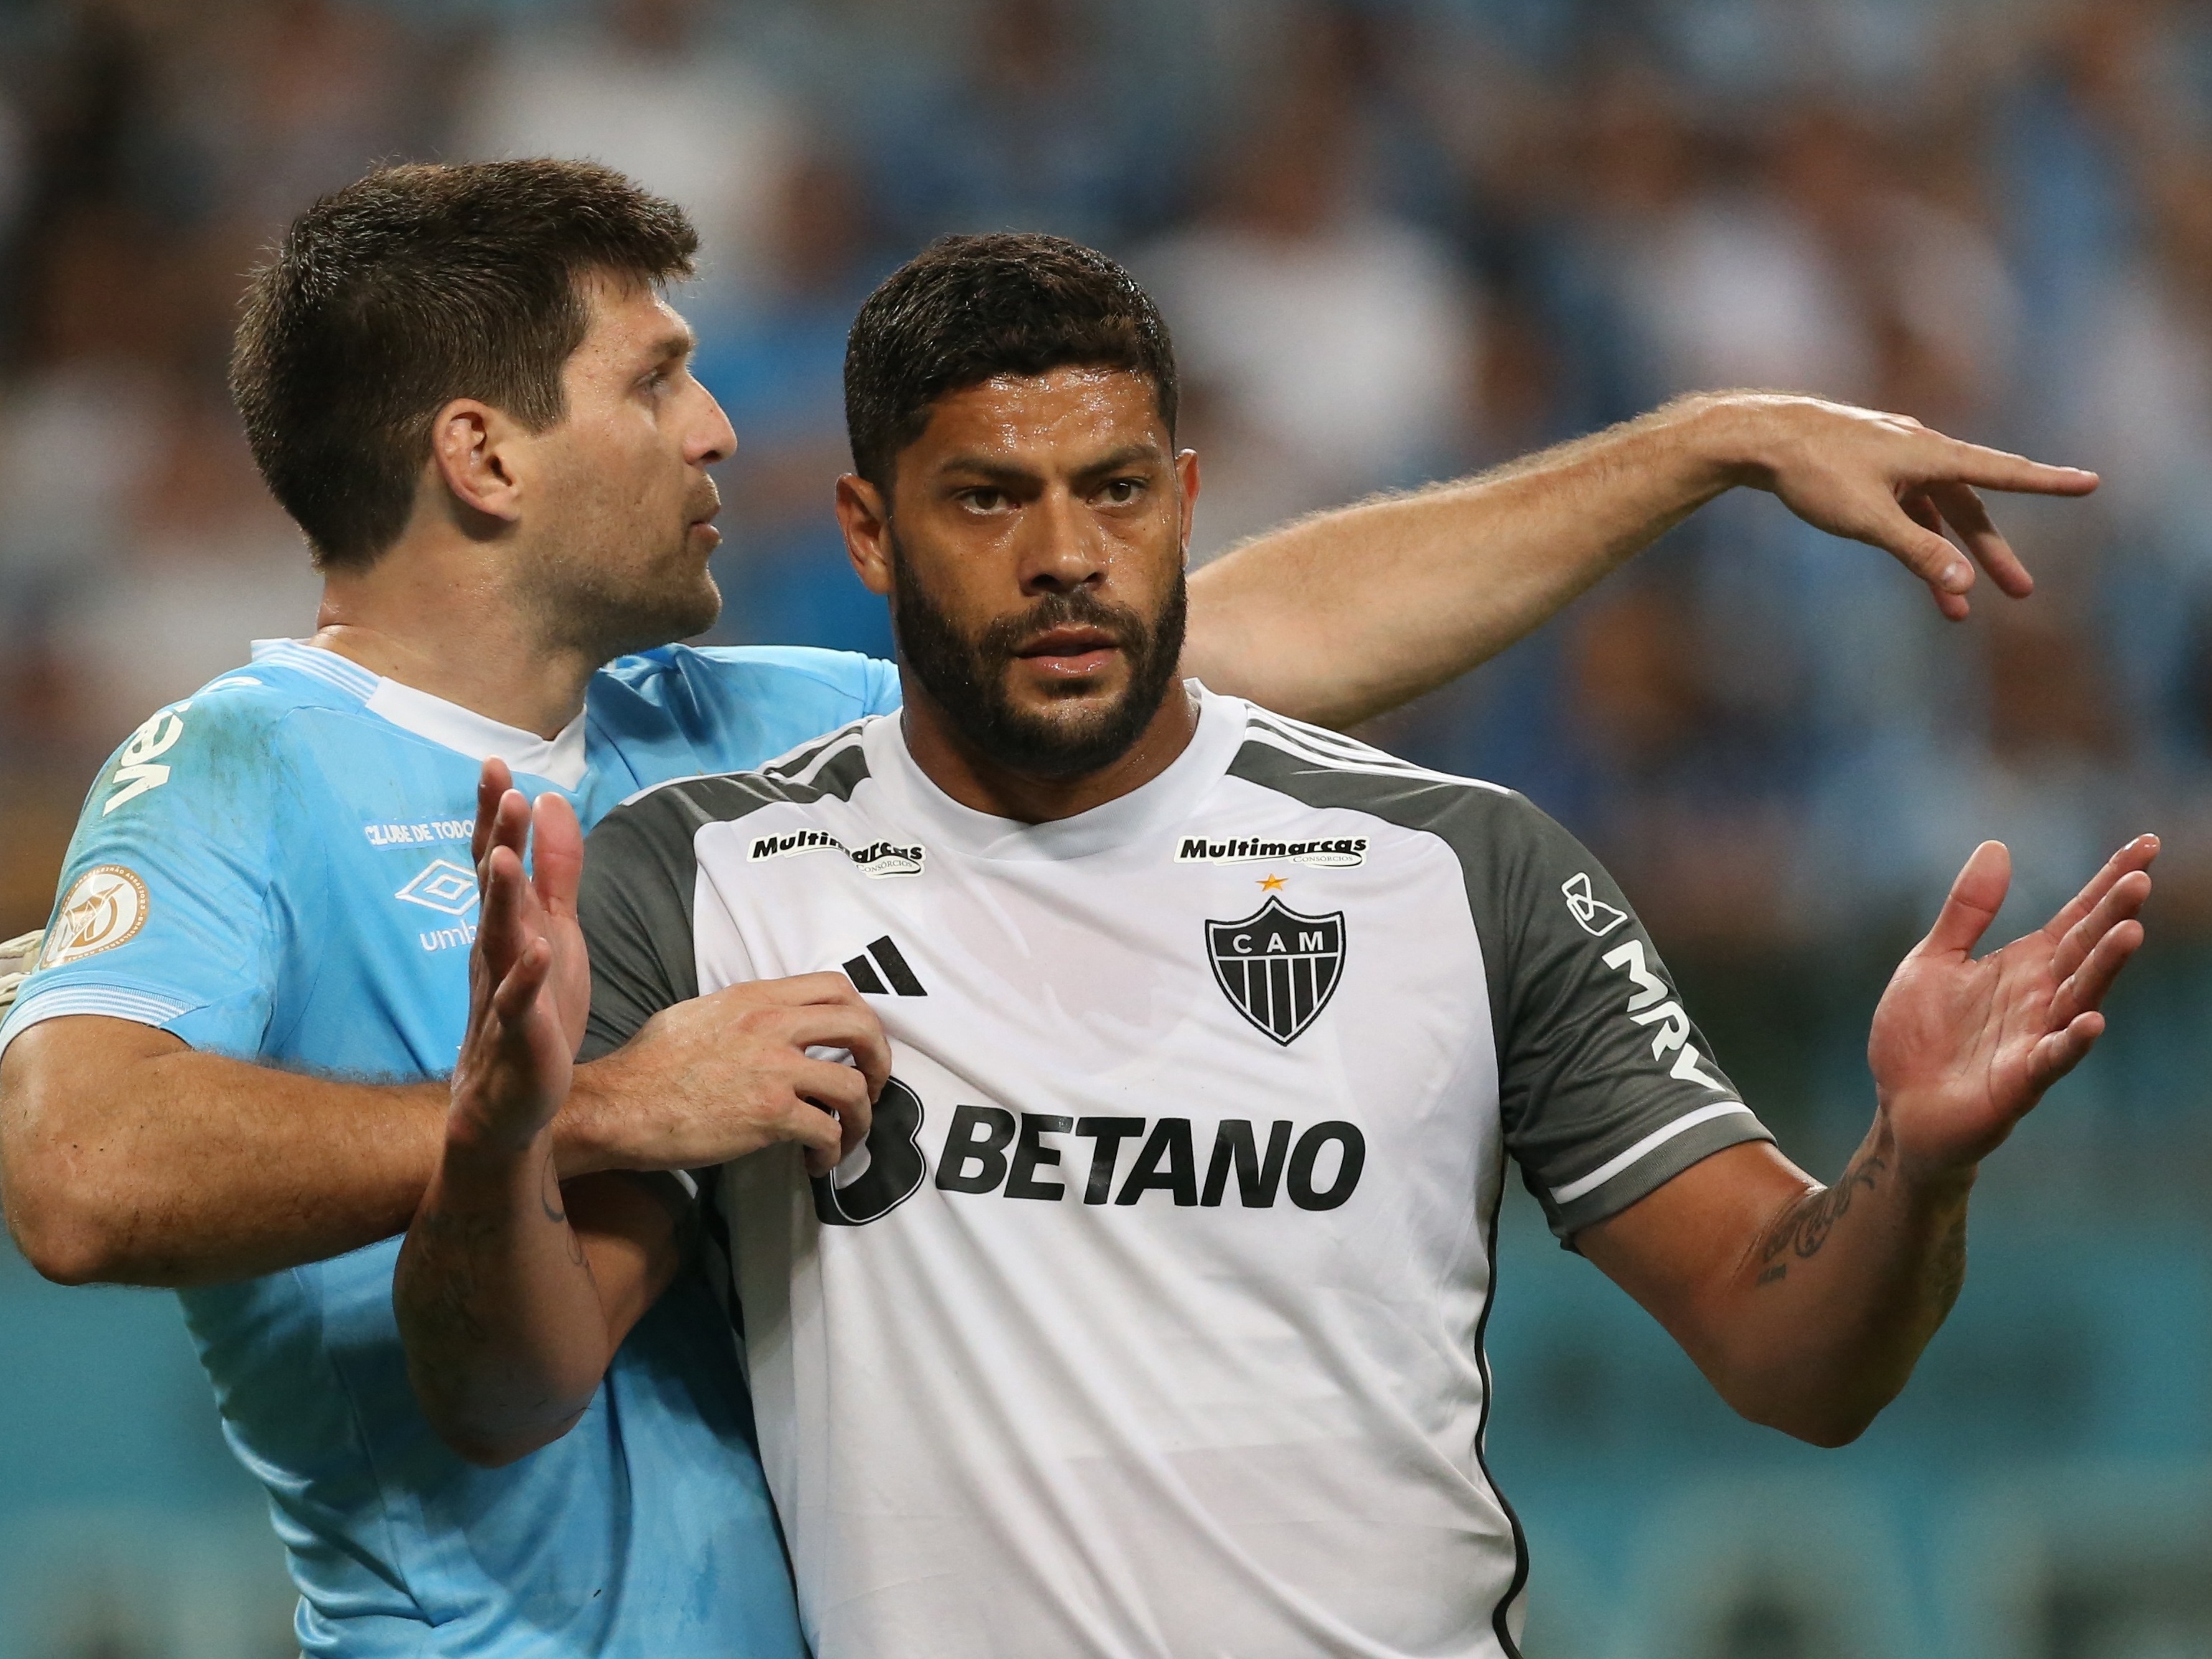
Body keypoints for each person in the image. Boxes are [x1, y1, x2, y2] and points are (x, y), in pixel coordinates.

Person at [0, 159, 2097, 1657]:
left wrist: (1707, 446)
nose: (716, 422)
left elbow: (1238, 640)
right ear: (480, 450)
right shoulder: (241, 766)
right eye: (653, 381)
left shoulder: (717, 735)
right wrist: (588, 1113)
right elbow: (76, 1171)